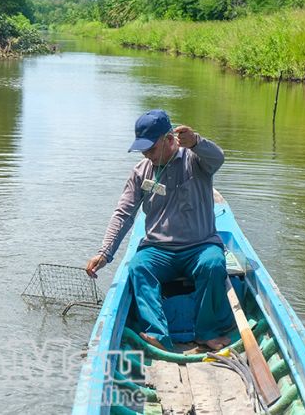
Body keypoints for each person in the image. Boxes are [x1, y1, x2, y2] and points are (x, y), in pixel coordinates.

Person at [85, 109, 234, 351]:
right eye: (142, 149)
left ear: (169, 139)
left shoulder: (196, 160)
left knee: (213, 264)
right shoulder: (140, 172)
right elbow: (124, 214)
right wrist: (105, 253)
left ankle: (207, 332)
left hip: (199, 245)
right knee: (138, 267)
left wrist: (196, 141)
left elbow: (218, 158)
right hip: (158, 249)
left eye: (151, 148)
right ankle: (158, 335)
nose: (146, 154)